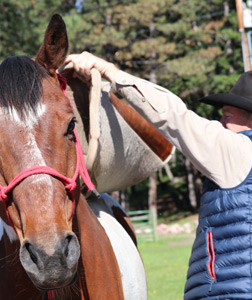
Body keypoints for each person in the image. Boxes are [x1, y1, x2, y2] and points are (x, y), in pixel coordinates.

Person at [65, 52, 252, 300]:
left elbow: (174, 117)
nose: (219, 122)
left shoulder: (240, 150)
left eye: (227, 116)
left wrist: (110, 71)